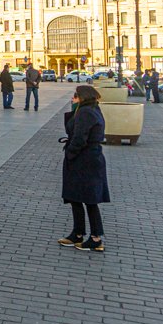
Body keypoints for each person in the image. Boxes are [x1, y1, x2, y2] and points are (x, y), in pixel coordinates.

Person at [58, 85, 111, 252]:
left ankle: (95, 238)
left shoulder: (86, 112)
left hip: (85, 159)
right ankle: (78, 233)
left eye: (75, 96)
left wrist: (71, 153)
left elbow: (80, 137)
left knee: (89, 199)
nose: (73, 98)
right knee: (76, 197)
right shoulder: (91, 109)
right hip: (89, 158)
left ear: (82, 96)